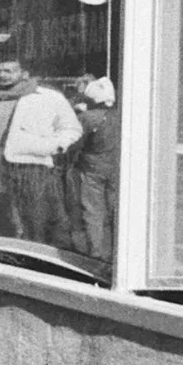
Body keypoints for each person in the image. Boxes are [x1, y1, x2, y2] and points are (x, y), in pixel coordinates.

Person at [0, 57, 80, 246]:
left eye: (9, 70)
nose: (2, 75)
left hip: (31, 166)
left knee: (36, 219)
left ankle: (37, 261)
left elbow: (72, 129)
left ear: (24, 74)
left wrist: (53, 146)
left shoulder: (47, 97)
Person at [62, 75, 120, 268]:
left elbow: (74, 142)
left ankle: (95, 252)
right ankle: (116, 251)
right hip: (115, 167)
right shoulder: (121, 115)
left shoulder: (88, 117)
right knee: (115, 210)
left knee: (93, 211)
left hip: (91, 168)